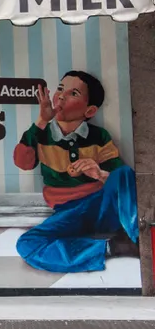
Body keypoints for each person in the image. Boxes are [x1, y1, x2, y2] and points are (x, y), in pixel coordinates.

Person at [13, 70, 140, 273]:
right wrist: (41, 121)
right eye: (60, 89)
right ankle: (110, 247)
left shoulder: (99, 136)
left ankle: (141, 238)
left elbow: (121, 180)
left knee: (125, 173)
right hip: (68, 213)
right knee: (27, 244)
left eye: (73, 93)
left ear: (89, 111)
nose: (61, 95)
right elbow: (22, 161)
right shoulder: (41, 134)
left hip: (101, 206)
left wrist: (99, 173)